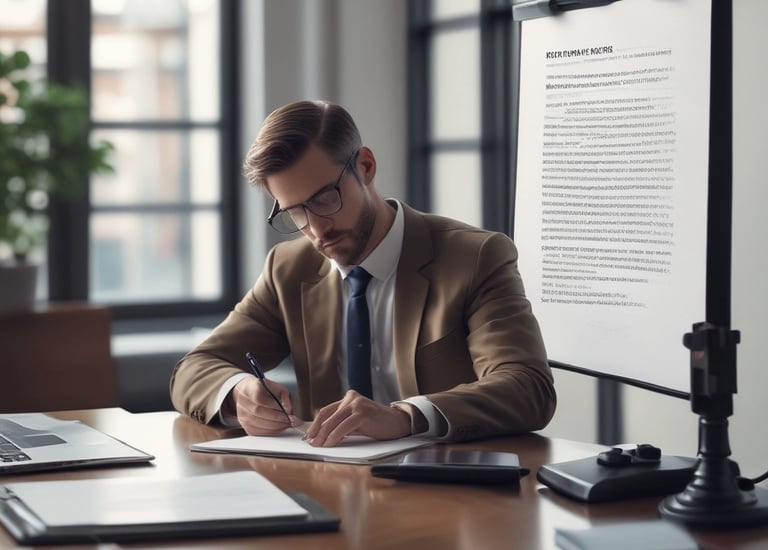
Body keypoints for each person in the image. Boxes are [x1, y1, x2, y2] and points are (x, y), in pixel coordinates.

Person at [170, 100, 556, 447]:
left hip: (449, 494)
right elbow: (194, 368)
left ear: (366, 167)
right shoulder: (288, 268)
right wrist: (238, 392)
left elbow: (527, 388)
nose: (317, 230)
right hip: (329, 489)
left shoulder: (474, 257)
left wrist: (407, 417)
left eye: (325, 199)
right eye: (295, 212)